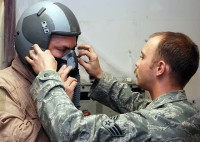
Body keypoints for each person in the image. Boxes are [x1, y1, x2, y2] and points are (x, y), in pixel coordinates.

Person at [27, 32, 200, 141]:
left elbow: (72, 132)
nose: (137, 63)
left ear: (160, 68)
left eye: (142, 56)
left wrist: (48, 76)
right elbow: (138, 106)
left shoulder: (155, 124)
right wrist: (100, 74)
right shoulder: (184, 114)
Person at [0, 1, 81, 141]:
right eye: (62, 49)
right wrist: (57, 106)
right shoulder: (5, 85)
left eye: (71, 49)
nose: (69, 58)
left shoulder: (59, 83)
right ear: (34, 49)